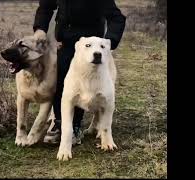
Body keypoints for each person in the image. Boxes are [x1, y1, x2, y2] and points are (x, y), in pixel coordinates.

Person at [32, 0, 126, 144]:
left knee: (87, 87)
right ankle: (59, 123)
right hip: (66, 43)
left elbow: (117, 17)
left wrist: (107, 44)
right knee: (62, 83)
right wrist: (40, 28)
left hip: (89, 46)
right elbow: (46, 6)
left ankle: (76, 126)